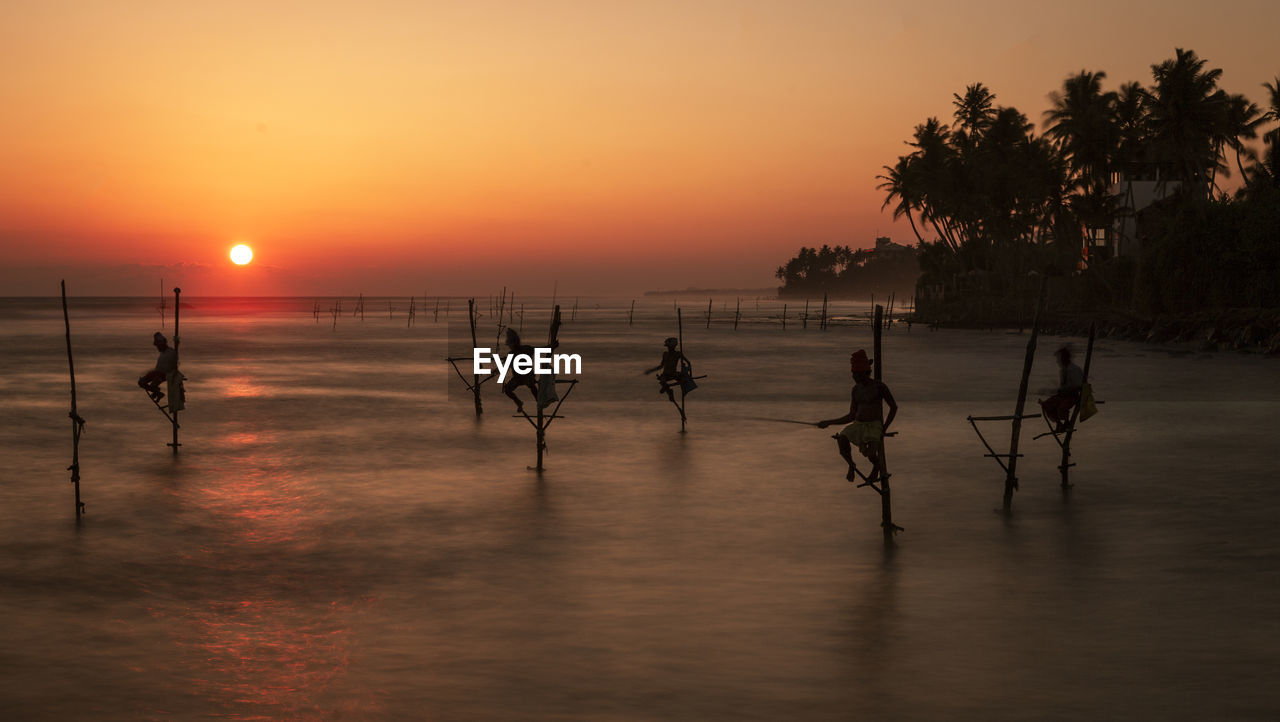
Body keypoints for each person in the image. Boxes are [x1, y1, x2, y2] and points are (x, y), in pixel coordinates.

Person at [816, 349, 898, 483]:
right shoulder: (856, 390)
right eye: (853, 374)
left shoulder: (878, 386)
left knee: (872, 453)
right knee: (842, 439)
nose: (855, 377)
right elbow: (851, 415)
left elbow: (893, 407)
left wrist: (884, 427)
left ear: (865, 372)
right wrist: (828, 422)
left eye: (858, 374)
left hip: (874, 425)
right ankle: (851, 465)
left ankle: (877, 467)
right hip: (858, 424)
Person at [1039, 346, 1084, 432]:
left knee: (1062, 407)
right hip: (1063, 396)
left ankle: (1067, 423)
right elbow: (1063, 387)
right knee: (1046, 404)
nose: (1057, 361)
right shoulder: (1063, 371)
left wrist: (1065, 390)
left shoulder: (1074, 369)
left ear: (1064, 358)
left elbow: (1079, 386)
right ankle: (1059, 424)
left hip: (1072, 396)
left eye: (1059, 359)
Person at [642, 337, 692, 413]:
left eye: (670, 346)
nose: (669, 348)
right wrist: (650, 370)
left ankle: (667, 388)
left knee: (683, 380)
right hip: (666, 374)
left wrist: (688, 372)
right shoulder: (665, 354)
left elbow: (688, 363)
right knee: (662, 381)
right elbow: (661, 366)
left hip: (674, 373)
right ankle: (669, 391)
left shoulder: (678, 354)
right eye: (668, 347)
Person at [502, 329, 539, 414]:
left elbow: (540, 349)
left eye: (510, 344)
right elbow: (505, 368)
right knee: (507, 390)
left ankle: (538, 401)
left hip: (527, 376)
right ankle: (519, 402)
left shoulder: (526, 349)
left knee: (531, 385)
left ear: (514, 343)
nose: (509, 347)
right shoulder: (511, 354)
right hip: (517, 378)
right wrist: (496, 371)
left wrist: (550, 347)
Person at [137, 332, 178, 402]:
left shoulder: (171, 352)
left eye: (158, 346)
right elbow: (158, 367)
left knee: (153, 385)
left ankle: (157, 393)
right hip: (157, 373)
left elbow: (172, 366)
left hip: (164, 374)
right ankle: (157, 392)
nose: (157, 348)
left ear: (162, 344)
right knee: (141, 382)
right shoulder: (162, 354)